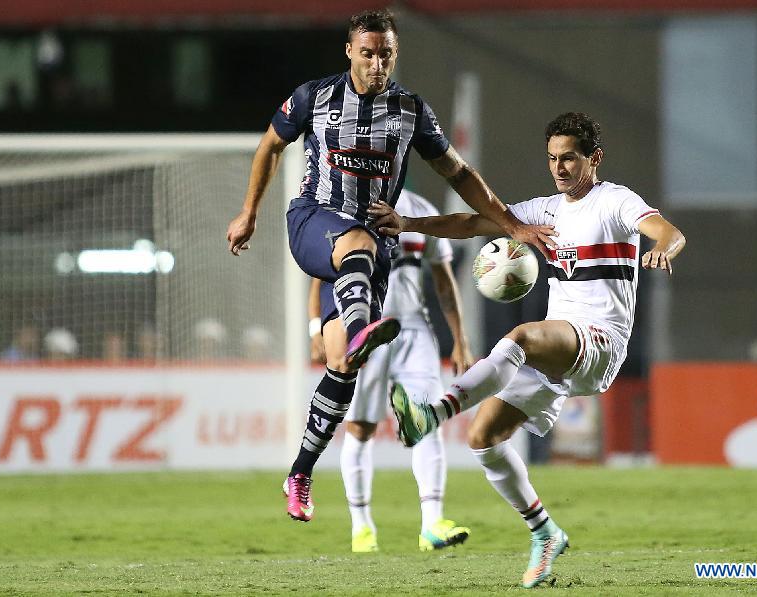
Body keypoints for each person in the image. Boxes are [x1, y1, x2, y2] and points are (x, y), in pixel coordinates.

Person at [225, 8, 554, 523]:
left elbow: (460, 173)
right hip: (313, 221)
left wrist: (510, 222)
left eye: (386, 55)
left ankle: (300, 471)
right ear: (350, 52)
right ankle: (361, 327)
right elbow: (270, 145)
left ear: (395, 55)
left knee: (343, 365)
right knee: (355, 243)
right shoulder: (314, 97)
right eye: (368, 53)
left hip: (373, 248)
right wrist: (249, 212)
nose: (377, 63)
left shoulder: (411, 111)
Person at [373, 112, 686, 588]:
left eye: (569, 158)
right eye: (552, 159)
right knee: (483, 438)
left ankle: (431, 415)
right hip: (558, 349)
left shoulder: (615, 201)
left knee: (519, 337)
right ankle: (545, 532)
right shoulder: (547, 210)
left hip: (600, 340)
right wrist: (409, 223)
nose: (559, 168)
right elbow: (475, 222)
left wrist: (664, 247)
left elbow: (667, 231)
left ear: (593, 158)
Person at [311, 188, 475, 553]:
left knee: (426, 418)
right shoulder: (347, 204)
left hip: (414, 328)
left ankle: (433, 523)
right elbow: (321, 274)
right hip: (365, 327)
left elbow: (443, 279)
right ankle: (362, 528)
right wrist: (317, 326)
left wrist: (460, 339)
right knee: (360, 427)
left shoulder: (421, 210)